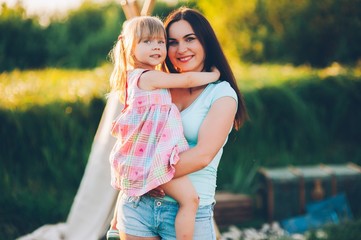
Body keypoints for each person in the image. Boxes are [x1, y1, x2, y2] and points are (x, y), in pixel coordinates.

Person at [111, 7, 248, 240]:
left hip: (187, 210)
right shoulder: (158, 87)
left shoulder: (222, 94)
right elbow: (135, 145)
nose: (181, 49)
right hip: (138, 206)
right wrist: (118, 213)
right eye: (172, 42)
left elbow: (202, 155)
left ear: (206, 42)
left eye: (190, 39)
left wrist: (148, 175)